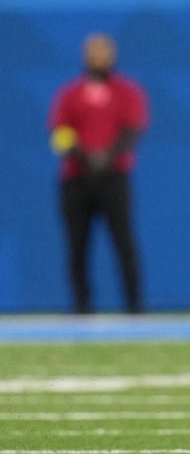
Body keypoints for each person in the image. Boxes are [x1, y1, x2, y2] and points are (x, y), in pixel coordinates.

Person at [48, 33, 148, 314]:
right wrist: (85, 157)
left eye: (103, 52)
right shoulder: (70, 94)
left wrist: (107, 157)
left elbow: (132, 128)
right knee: (77, 244)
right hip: (77, 177)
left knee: (123, 241)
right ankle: (81, 305)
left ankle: (134, 305)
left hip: (114, 177)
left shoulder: (127, 91)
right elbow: (60, 134)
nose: (99, 57)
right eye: (93, 52)